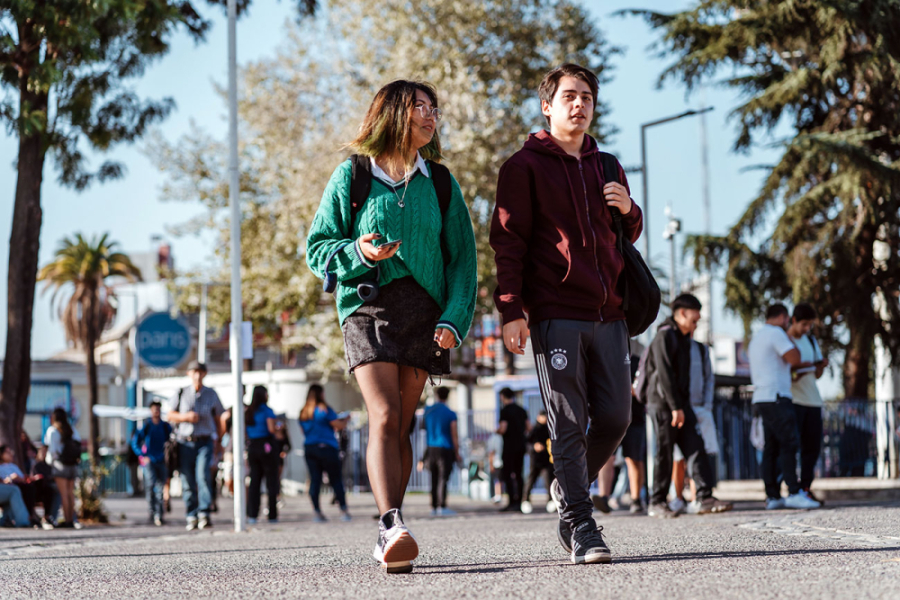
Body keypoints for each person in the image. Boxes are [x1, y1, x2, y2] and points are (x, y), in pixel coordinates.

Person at [306, 80, 477, 574]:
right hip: (367, 305)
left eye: (434, 108)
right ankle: (391, 524)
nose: (430, 115)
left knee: (401, 422)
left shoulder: (441, 182)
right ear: (392, 114)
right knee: (382, 414)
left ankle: (390, 533)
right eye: (419, 107)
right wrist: (359, 252)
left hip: (426, 313)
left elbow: (463, 261)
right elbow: (318, 247)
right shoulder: (353, 175)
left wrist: (454, 319)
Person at [490, 63, 641, 565]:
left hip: (611, 314)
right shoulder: (523, 167)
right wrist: (511, 309)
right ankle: (580, 523)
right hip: (556, 311)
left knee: (617, 417)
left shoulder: (608, 164)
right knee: (569, 421)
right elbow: (507, 243)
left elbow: (626, 235)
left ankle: (565, 484)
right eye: (570, 96)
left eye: (588, 98)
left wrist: (630, 210)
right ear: (547, 105)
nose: (580, 106)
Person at [643, 294, 731, 518]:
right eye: (695, 318)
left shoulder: (682, 339)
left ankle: (704, 497)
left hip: (680, 403)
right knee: (664, 450)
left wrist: (681, 406)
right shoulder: (664, 336)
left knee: (695, 445)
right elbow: (664, 375)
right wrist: (674, 407)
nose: (698, 322)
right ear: (681, 313)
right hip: (662, 403)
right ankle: (657, 501)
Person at [747, 304, 821, 510]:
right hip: (778, 395)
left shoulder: (757, 336)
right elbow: (795, 358)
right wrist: (788, 339)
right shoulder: (777, 334)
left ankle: (772, 495)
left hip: (761, 396)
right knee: (789, 442)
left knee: (771, 447)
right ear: (783, 317)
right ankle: (794, 492)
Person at [165, 361, 227, 531]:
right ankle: (191, 513)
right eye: (194, 372)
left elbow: (220, 417)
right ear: (189, 374)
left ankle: (204, 512)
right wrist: (185, 417)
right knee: (187, 480)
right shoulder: (181, 393)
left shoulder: (211, 394)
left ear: (205, 374)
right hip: (185, 442)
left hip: (204, 441)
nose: (197, 375)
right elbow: (170, 415)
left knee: (203, 475)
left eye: (201, 372)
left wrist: (219, 440)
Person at [670, 331, 720, 513]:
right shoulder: (672, 346)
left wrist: (706, 406)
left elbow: (709, 378)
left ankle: (695, 497)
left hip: (698, 408)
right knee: (678, 457)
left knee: (697, 453)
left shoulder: (700, 349)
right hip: (680, 409)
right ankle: (677, 497)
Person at [787, 303, 828, 503]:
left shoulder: (811, 341)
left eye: (809, 325)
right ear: (793, 320)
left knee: (812, 448)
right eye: (803, 324)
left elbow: (817, 374)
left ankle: (806, 487)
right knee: (792, 446)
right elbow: (788, 372)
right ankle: (791, 488)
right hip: (794, 400)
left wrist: (820, 366)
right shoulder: (785, 340)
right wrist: (801, 368)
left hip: (813, 400)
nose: (806, 329)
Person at [300, 384, 352, 524]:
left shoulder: (304, 412)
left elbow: (303, 432)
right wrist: (346, 420)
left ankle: (317, 512)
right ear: (320, 394)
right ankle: (343, 510)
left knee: (315, 480)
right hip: (327, 448)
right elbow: (338, 425)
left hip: (310, 448)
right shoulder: (325, 409)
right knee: (335, 479)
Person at [131, 401, 173, 526]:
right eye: (154, 409)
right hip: (149, 461)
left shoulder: (165, 426)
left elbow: (172, 440)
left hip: (162, 461)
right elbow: (135, 442)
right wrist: (143, 456)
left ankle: (159, 514)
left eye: (158, 409)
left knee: (160, 488)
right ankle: (152, 511)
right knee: (150, 486)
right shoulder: (147, 426)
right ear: (150, 411)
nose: (156, 412)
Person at [245, 385, 280, 524]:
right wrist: (278, 428)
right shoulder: (267, 410)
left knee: (255, 482)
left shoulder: (248, 412)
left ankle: (252, 514)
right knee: (271, 482)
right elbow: (271, 429)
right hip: (266, 446)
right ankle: (272, 515)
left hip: (253, 447)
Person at [422, 387, 460, 517]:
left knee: (433, 478)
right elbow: (454, 434)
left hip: (431, 448)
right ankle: (442, 505)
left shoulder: (427, 411)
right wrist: (457, 452)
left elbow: (424, 429)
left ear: (437, 395)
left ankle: (433, 506)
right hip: (446, 448)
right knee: (443, 478)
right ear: (448, 396)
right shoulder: (450, 413)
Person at [44, 407, 82, 529]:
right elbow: (79, 443)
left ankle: (67, 520)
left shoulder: (53, 431)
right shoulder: (72, 429)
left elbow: (52, 450)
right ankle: (71, 519)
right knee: (70, 493)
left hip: (60, 465)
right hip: (72, 465)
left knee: (64, 494)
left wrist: (50, 461)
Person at [496, 388, 529, 513]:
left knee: (508, 474)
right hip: (521, 446)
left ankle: (511, 502)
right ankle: (520, 501)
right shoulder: (522, 410)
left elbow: (503, 428)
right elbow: (528, 427)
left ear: (503, 397)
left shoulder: (505, 411)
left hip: (509, 447)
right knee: (519, 474)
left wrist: (497, 431)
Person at [521, 410, 554, 515]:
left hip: (547, 460)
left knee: (549, 481)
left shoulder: (550, 429)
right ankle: (525, 500)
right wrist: (534, 447)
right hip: (535, 460)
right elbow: (527, 444)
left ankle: (551, 501)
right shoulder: (534, 430)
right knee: (530, 480)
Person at [31, 446, 60, 526]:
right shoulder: (36, 465)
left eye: (45, 452)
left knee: (54, 491)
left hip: (47, 489)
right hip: (37, 488)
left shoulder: (48, 466)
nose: (44, 454)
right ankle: (39, 517)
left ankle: (50, 517)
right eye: (42, 452)